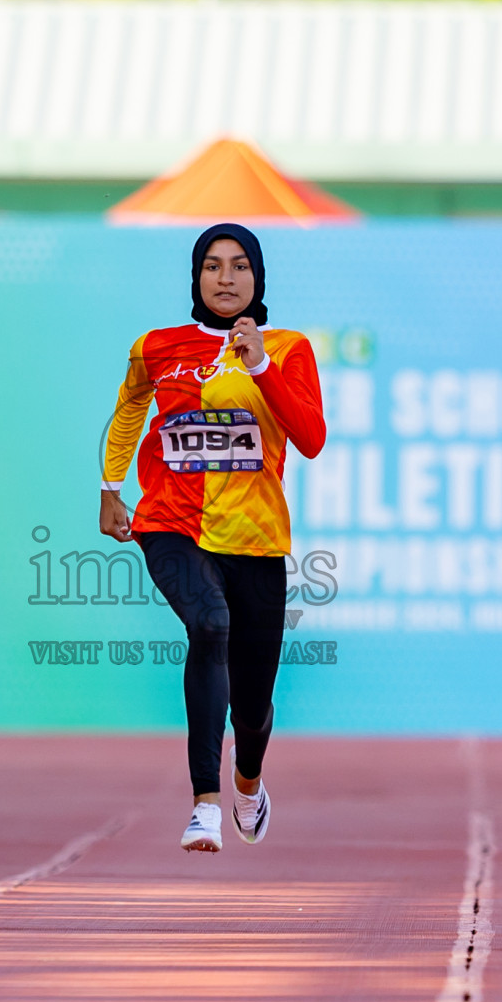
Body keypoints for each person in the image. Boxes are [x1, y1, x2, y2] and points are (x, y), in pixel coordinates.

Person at [99, 224, 326, 853]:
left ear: (258, 278)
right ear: (195, 277)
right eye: (212, 266)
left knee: (252, 709)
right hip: (170, 523)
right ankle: (204, 804)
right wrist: (109, 487)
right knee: (209, 626)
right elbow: (128, 410)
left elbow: (310, 438)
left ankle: (247, 783)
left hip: (254, 539)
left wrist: (258, 364)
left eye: (239, 266)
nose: (225, 279)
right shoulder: (156, 346)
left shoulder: (288, 347)